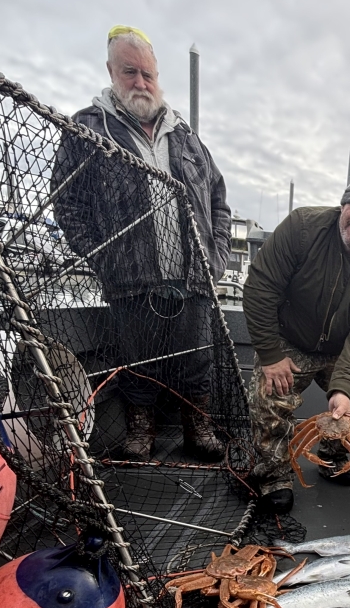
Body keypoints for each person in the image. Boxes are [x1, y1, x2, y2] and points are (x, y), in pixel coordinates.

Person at [53, 26, 231, 460]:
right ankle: (140, 432)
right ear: (111, 72)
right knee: (137, 361)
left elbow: (219, 200)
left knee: (197, 361)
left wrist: (217, 257)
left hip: (193, 280)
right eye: (129, 72)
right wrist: (104, 258)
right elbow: (67, 203)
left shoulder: (186, 136)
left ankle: (198, 427)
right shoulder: (88, 127)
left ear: (157, 76)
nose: (140, 82)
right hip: (129, 282)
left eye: (147, 74)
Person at [243, 164, 350, 514]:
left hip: (339, 351)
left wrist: (342, 390)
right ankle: (274, 475)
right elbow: (260, 287)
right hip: (289, 341)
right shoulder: (302, 227)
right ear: (345, 202)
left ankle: (333, 459)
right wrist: (270, 355)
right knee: (270, 394)